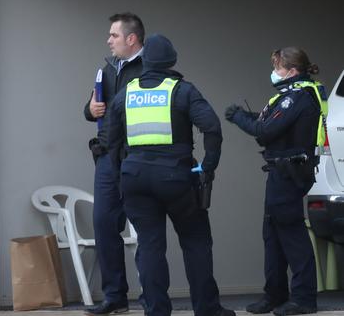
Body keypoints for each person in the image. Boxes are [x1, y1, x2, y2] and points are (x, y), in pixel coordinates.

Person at [106, 34, 235, 316]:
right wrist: (208, 167)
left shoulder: (126, 92)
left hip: (135, 178)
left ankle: (156, 311)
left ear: (145, 61)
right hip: (176, 178)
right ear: (172, 61)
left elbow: (111, 141)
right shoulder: (183, 90)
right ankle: (207, 309)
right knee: (196, 241)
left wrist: (121, 174)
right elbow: (212, 128)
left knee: (150, 246)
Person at [225, 47, 325, 316]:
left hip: (290, 173)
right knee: (273, 236)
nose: (274, 72)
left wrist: (237, 117)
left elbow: (265, 130)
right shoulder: (288, 98)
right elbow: (267, 123)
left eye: (278, 67)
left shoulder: (298, 98)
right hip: (280, 172)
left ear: (292, 71)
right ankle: (276, 295)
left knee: (292, 235)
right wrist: (247, 118)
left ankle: (304, 299)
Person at [83, 12, 144, 315]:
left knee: (147, 228)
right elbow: (91, 107)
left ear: (131, 39)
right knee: (104, 223)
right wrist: (90, 108)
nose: (108, 40)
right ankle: (115, 297)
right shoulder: (107, 69)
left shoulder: (148, 70)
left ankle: (152, 297)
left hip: (139, 159)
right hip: (108, 159)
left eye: (114, 36)